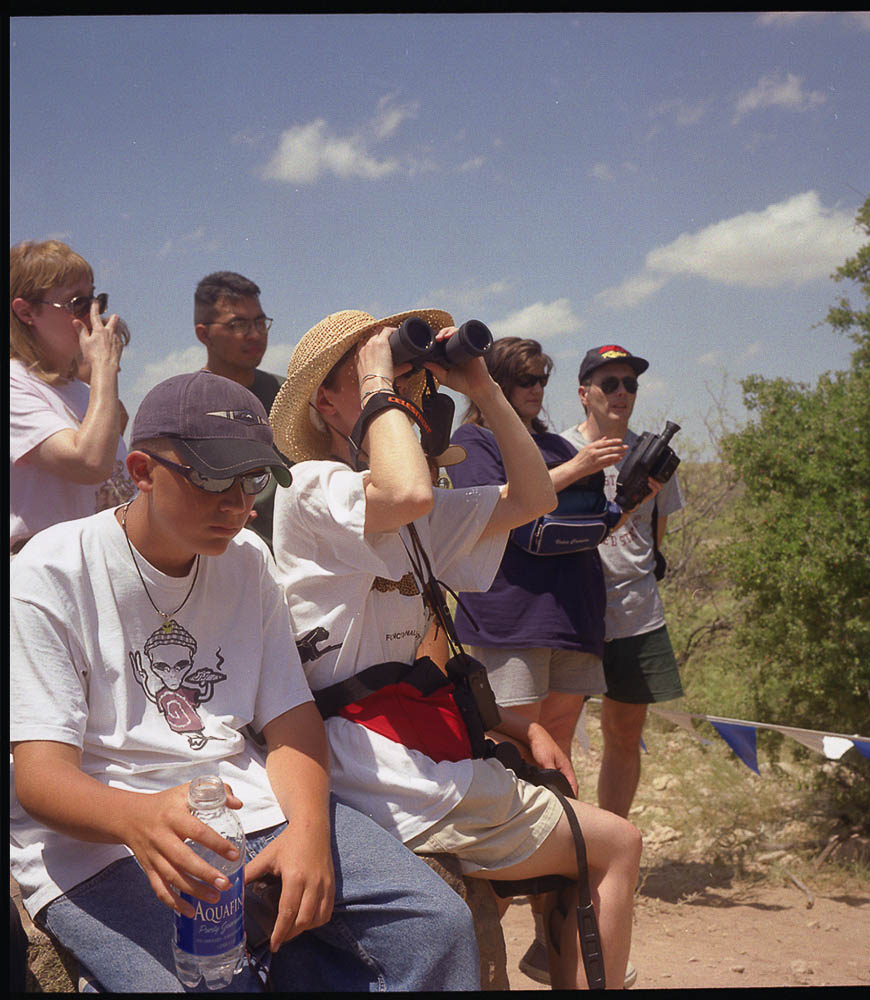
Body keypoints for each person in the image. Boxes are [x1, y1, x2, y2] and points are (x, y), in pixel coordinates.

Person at [9, 370, 480, 993]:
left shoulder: (249, 559)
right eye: (209, 478)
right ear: (142, 470)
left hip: (250, 809)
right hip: (103, 843)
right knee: (205, 983)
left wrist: (310, 832)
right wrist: (137, 818)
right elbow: (41, 780)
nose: (237, 504)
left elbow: (291, 723)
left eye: (251, 480)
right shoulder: (51, 570)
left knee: (436, 924)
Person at [269, 310, 642, 990]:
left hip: (401, 749)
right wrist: (385, 381)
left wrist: (482, 386)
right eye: (367, 373)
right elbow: (405, 490)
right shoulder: (312, 488)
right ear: (327, 402)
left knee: (574, 822)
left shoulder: (408, 510)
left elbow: (531, 498)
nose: (399, 385)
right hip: (369, 761)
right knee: (619, 845)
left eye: (406, 373)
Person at [447, 336, 634, 986]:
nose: (535, 388)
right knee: (519, 773)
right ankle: (483, 940)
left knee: (562, 779)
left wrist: (634, 487)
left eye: (540, 377)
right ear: (494, 379)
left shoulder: (550, 442)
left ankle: (557, 951)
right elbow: (490, 513)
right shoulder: (475, 443)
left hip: (572, 618)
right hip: (509, 620)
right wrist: (581, 464)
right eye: (522, 378)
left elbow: (595, 519)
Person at [561, 344, 686, 821]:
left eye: (629, 384)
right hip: (573, 611)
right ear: (583, 393)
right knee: (557, 733)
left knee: (623, 735)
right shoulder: (561, 451)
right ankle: (566, 851)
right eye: (608, 383)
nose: (621, 392)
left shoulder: (654, 456)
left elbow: (656, 542)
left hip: (637, 613)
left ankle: (609, 845)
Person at [10, 240, 134, 554]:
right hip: (43, 574)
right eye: (78, 303)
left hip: (97, 563)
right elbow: (89, 463)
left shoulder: (84, 393)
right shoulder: (13, 384)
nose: (95, 315)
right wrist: (104, 367)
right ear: (26, 312)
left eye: (97, 300)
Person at [194, 270, 285, 548]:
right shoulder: (186, 406)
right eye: (238, 325)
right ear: (204, 334)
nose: (255, 334)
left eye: (260, 322)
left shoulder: (288, 395)